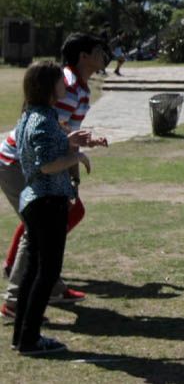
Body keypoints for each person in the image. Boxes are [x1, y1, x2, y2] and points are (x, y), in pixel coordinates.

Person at [1, 33, 107, 320]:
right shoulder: (67, 88)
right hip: (16, 164)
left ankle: (49, 285)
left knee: (53, 222)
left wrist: (79, 146)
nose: (104, 55)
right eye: (98, 51)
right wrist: (72, 162)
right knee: (38, 228)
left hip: (32, 163)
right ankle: (14, 297)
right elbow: (44, 137)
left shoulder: (80, 89)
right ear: (83, 56)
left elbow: (60, 136)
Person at [10, 61, 99, 356]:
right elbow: (47, 165)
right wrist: (78, 157)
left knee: (33, 270)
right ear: (49, 88)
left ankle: (22, 336)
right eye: (61, 81)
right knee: (46, 272)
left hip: (37, 201)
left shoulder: (33, 115)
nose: (66, 85)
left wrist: (68, 141)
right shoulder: (44, 120)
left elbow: (44, 150)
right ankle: (30, 339)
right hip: (48, 202)